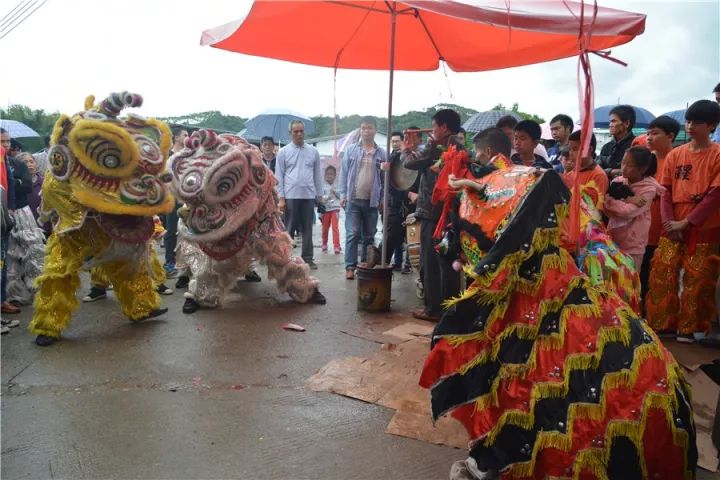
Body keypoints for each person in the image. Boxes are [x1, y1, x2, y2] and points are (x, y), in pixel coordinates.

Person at [420, 163, 696, 480]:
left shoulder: (538, 290)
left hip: (600, 391)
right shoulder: (534, 281)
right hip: (560, 294)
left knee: (534, 390)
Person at [646, 99, 720, 342]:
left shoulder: (717, 154)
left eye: (696, 122)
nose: (690, 126)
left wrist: (687, 222)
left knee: (698, 278)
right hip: (673, 222)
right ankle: (663, 324)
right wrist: (669, 223)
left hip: (704, 224)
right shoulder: (676, 154)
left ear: (711, 126)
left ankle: (690, 328)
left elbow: (715, 195)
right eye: (688, 121)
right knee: (663, 273)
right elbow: (665, 190)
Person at [402, 109, 462, 321]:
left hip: (432, 212)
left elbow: (409, 163)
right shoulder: (460, 146)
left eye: (435, 125)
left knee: (431, 261)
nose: (433, 129)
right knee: (448, 260)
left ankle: (433, 309)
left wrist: (406, 149)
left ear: (444, 127)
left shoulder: (435, 147)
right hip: (453, 212)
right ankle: (452, 308)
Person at [337, 117, 386, 279]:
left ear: (375, 130)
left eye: (369, 128)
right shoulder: (351, 150)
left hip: (372, 202)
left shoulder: (382, 153)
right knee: (352, 233)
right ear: (360, 130)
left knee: (369, 236)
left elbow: (385, 179)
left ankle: (365, 265)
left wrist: (383, 199)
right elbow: (343, 173)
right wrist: (342, 195)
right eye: (363, 128)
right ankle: (350, 267)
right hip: (353, 200)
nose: (366, 131)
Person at [603, 147, 664, 270]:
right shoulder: (617, 181)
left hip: (633, 245)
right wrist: (628, 199)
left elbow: (626, 212)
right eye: (623, 162)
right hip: (612, 240)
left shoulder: (649, 189)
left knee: (629, 282)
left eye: (629, 165)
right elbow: (603, 204)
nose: (623, 168)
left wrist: (612, 202)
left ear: (642, 169)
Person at [642, 115, 681, 305]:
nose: (649, 138)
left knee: (663, 279)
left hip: (665, 229)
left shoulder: (677, 161)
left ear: (671, 136)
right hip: (641, 230)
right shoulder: (644, 161)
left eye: (655, 134)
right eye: (648, 133)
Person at [276, 120, 324, 269]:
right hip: (291, 196)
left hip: (308, 196)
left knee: (307, 228)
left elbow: (317, 175)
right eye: (296, 131)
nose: (299, 134)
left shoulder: (313, 151)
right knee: (289, 228)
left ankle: (308, 258)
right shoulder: (283, 152)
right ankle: (286, 258)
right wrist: (281, 199)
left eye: (301, 131)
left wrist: (319, 195)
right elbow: (279, 176)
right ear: (290, 133)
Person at [0, 129, 20, 316]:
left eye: (7, 141)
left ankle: (2, 300)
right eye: (1, 141)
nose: (6, 145)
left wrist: (11, 210)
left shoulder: (6, 160)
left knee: (2, 261)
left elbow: (10, 187)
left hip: (4, 217)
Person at [562, 130, 608, 210]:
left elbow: (594, 209)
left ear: (589, 150)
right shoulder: (571, 172)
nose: (571, 153)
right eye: (570, 149)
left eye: (575, 149)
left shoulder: (598, 175)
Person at [597, 104, 636, 180]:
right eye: (610, 122)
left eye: (614, 121)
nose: (610, 125)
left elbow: (635, 172)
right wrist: (611, 171)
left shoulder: (635, 145)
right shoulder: (606, 147)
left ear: (626, 123)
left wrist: (608, 172)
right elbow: (597, 169)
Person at [320, 165, 341, 254]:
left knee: (335, 228)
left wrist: (335, 192)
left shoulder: (337, 185)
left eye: (332, 174)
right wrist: (327, 197)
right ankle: (324, 243)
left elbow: (341, 196)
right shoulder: (322, 186)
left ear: (335, 175)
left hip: (335, 209)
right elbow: (321, 199)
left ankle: (337, 246)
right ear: (325, 175)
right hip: (326, 210)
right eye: (328, 174)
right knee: (325, 228)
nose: (330, 176)